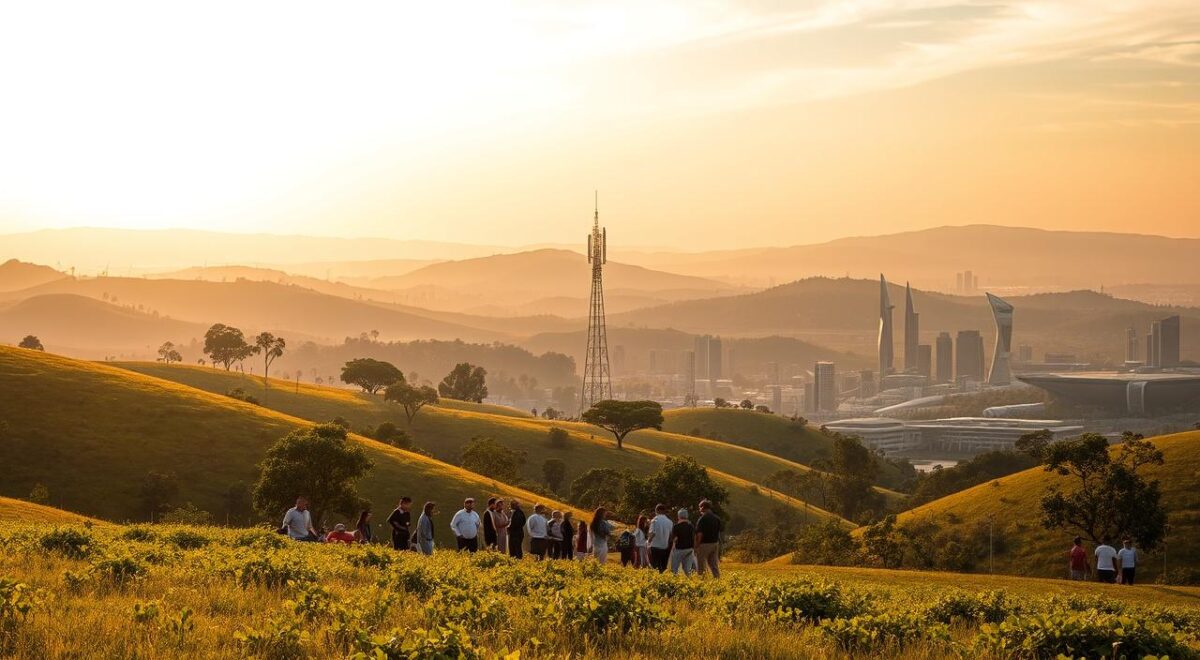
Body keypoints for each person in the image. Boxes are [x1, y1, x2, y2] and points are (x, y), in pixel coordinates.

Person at [694, 500, 722, 578]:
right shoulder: (717, 518)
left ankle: (702, 581)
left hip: (704, 544)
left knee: (701, 565)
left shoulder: (702, 519)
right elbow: (718, 532)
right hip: (715, 544)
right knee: (713, 564)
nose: (699, 509)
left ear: (703, 507)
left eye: (700, 507)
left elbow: (700, 534)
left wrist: (696, 545)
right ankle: (717, 580)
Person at [669, 508, 696, 576]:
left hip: (679, 549)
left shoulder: (676, 526)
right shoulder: (691, 526)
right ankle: (691, 583)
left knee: (674, 569)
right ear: (687, 516)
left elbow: (673, 539)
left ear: (679, 516)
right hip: (689, 549)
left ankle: (673, 583)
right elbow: (694, 537)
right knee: (687, 569)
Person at [647, 503, 673, 572]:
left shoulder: (654, 520)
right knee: (663, 567)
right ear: (664, 511)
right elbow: (671, 536)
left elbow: (652, 533)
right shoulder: (670, 522)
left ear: (657, 510)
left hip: (655, 547)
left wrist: (648, 542)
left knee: (655, 567)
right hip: (665, 547)